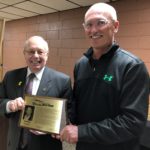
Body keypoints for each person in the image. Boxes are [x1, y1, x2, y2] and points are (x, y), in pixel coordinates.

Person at [59, 2, 150, 150]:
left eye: (101, 23)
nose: (93, 30)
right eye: (89, 25)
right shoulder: (81, 64)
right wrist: (63, 124)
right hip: (84, 145)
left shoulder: (132, 66)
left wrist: (81, 132)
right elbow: (77, 103)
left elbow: (133, 123)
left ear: (115, 26)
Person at [0, 36, 72, 150]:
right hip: (15, 144)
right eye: (31, 51)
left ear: (47, 55)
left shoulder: (62, 81)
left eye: (40, 52)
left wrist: (50, 127)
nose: (36, 56)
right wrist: (9, 105)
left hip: (45, 145)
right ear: (24, 53)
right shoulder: (11, 76)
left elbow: (69, 114)